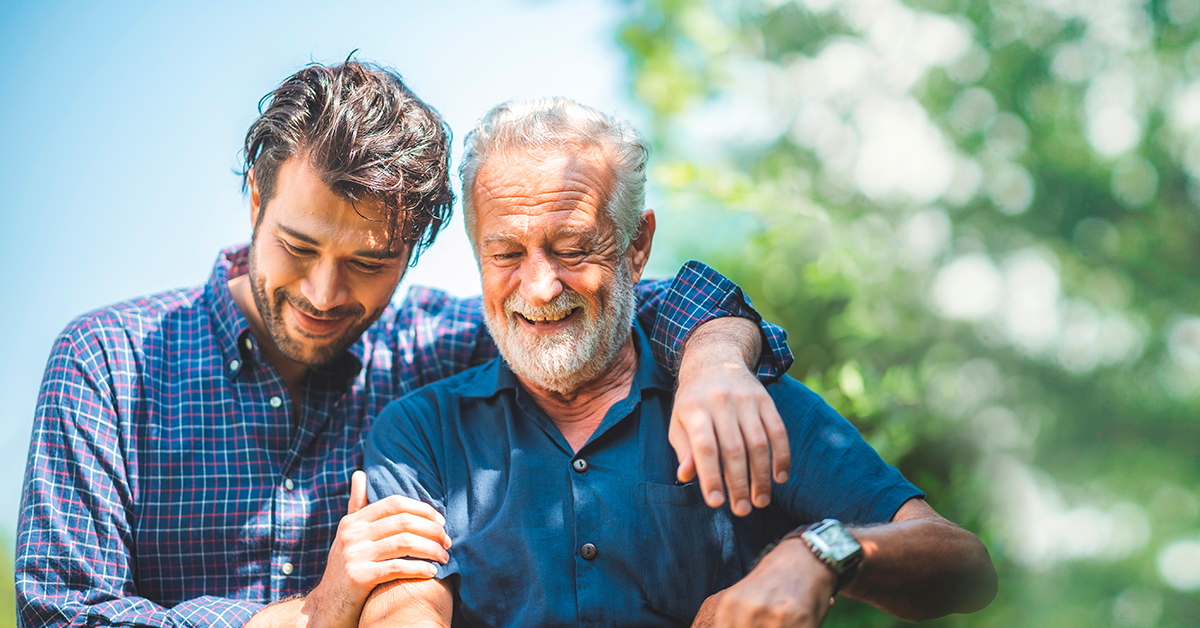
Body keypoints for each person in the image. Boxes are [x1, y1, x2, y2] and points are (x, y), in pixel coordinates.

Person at [15, 61, 798, 628]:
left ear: (416, 251)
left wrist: (714, 358)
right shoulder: (106, 362)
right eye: (296, 246)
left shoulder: (439, 345)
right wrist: (305, 619)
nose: (325, 294)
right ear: (255, 200)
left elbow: (606, 303)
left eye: (367, 264)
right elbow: (59, 614)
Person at [360, 97, 999, 627]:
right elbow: (405, 605)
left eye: (574, 248)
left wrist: (818, 553)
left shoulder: (738, 400)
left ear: (636, 247)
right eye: (505, 254)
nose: (540, 286)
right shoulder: (421, 432)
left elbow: (963, 566)